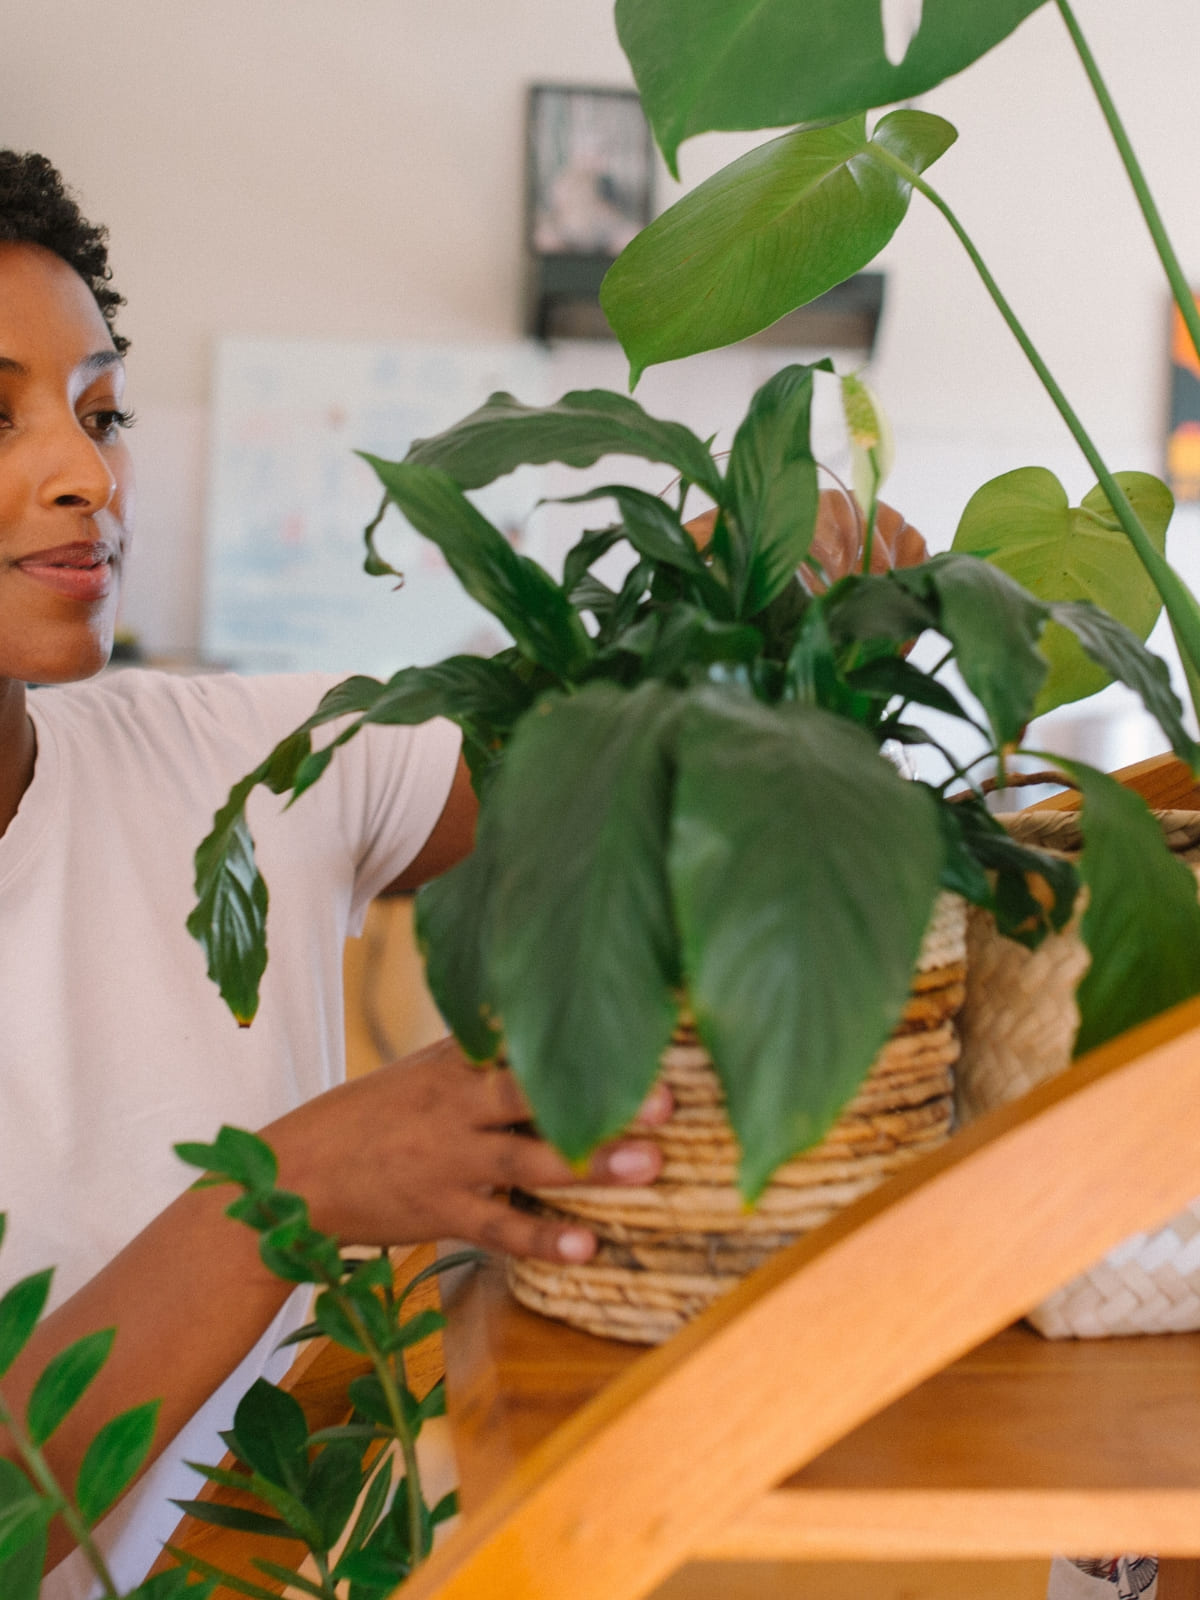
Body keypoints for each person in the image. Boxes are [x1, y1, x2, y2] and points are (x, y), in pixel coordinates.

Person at [0, 149, 674, 1598]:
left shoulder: (231, 761)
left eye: (100, 410)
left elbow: (569, 756)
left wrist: (738, 591)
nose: (84, 472)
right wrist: (283, 1193)